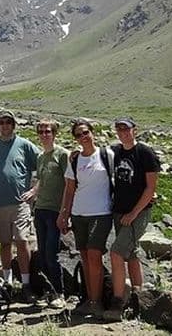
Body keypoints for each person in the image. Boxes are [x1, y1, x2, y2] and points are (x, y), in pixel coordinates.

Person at [0, 109, 40, 303]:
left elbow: (43, 167)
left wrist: (34, 190)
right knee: (4, 243)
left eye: (8, 122)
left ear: (13, 124)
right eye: (1, 122)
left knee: (22, 241)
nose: (4, 125)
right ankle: (7, 282)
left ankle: (27, 284)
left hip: (20, 203)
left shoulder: (25, 145)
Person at [103, 117, 160, 322]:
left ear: (134, 130)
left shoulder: (145, 153)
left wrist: (135, 213)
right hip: (119, 210)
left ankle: (118, 302)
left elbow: (150, 187)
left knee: (117, 252)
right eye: (119, 129)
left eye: (126, 128)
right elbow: (97, 157)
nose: (123, 132)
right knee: (131, 252)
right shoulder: (115, 151)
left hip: (138, 212)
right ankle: (139, 295)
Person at [57, 119, 115, 319]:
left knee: (94, 254)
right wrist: (64, 213)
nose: (83, 137)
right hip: (79, 213)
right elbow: (70, 188)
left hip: (101, 212)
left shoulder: (107, 155)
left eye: (85, 133)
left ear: (93, 132)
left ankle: (97, 302)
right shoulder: (75, 159)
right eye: (78, 135)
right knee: (84, 256)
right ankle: (89, 300)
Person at [32, 119, 68, 308]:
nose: (44, 135)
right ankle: (47, 291)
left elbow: (69, 184)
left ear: (54, 133)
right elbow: (41, 180)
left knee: (52, 253)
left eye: (48, 131)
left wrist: (64, 212)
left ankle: (59, 293)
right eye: (41, 132)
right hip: (40, 209)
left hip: (55, 210)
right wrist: (33, 193)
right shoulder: (40, 157)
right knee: (42, 252)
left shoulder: (62, 155)